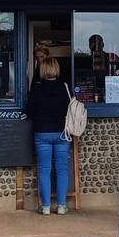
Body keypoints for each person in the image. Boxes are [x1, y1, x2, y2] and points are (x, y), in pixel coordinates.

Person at [25, 57, 71, 215]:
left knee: (44, 169)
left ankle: (45, 207)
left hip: (42, 133)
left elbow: (28, 112)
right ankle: (61, 206)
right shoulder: (64, 87)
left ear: (42, 70)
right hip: (62, 133)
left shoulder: (36, 89)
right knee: (62, 169)